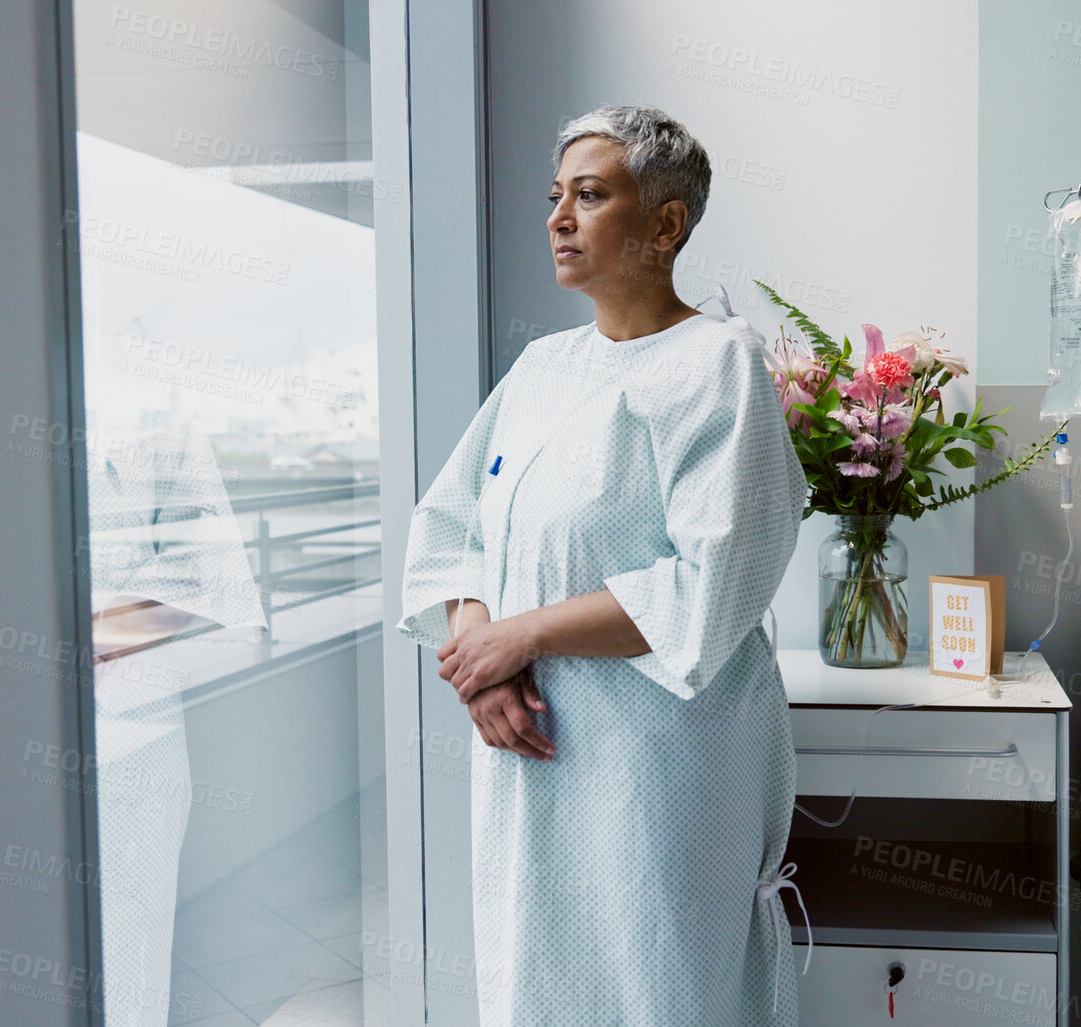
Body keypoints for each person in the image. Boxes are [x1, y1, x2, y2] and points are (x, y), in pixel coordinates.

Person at [397, 103, 808, 1025]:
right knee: (534, 973)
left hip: (656, 764)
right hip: (529, 749)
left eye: (589, 195)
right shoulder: (542, 367)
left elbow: (715, 581)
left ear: (665, 224)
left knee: (660, 975)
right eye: (555, 196)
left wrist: (521, 636)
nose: (557, 218)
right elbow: (451, 526)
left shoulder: (717, 365)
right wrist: (479, 662)